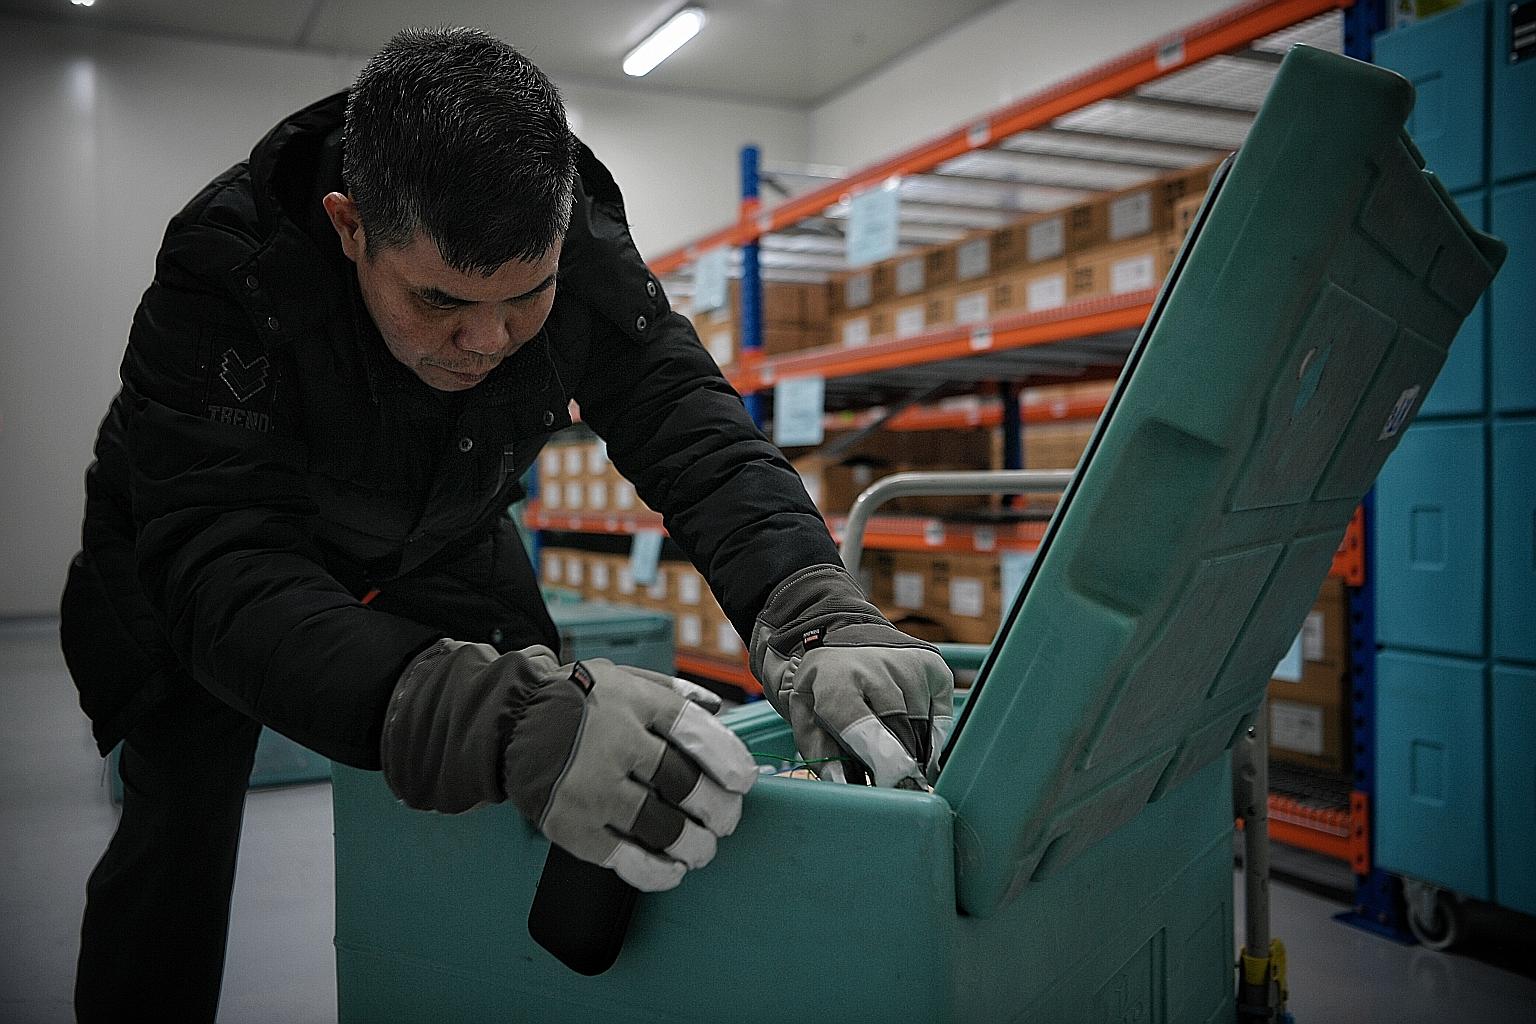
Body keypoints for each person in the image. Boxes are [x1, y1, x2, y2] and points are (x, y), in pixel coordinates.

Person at [59, 26, 953, 1020]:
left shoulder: (580, 236)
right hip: (209, 551)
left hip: (440, 524)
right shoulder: (226, 268)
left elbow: (687, 424)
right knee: (178, 827)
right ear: (350, 227)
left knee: (561, 749)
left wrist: (810, 605)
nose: (487, 341)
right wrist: (485, 714)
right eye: (439, 299)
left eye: (527, 297)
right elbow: (221, 565)